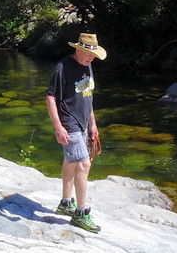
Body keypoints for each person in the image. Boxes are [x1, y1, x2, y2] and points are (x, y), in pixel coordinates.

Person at [45, 32, 107, 233]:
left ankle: (65, 203)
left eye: (94, 56)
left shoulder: (88, 65)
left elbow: (87, 96)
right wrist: (58, 127)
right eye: (90, 55)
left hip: (82, 123)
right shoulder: (62, 68)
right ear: (78, 50)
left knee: (71, 161)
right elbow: (50, 97)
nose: (93, 59)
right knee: (83, 163)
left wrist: (93, 125)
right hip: (68, 122)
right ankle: (81, 213)